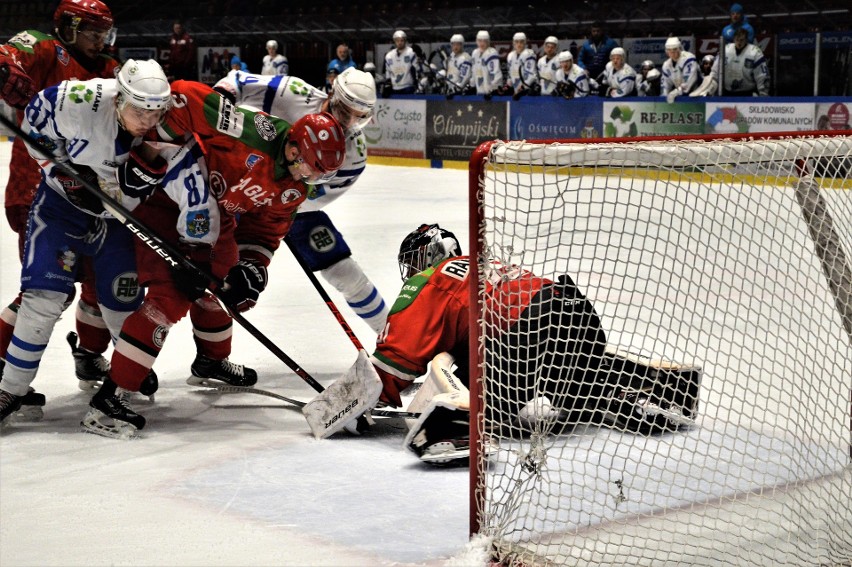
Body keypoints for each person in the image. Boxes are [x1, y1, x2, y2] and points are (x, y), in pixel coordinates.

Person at [83, 75, 347, 439]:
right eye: (314, 167)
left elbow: (265, 231)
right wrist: (159, 146)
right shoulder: (252, 131)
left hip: (212, 217)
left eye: (324, 173)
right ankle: (110, 398)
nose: (314, 178)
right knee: (169, 298)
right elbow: (185, 96)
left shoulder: (295, 187)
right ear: (293, 149)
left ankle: (211, 360)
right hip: (167, 199)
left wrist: (252, 268)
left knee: (224, 285)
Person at [303, 224, 701, 464]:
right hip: (571, 307)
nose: (410, 272)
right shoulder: (481, 265)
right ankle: (660, 382)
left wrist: (354, 403)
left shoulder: (430, 279)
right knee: (573, 389)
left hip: (526, 329)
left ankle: (458, 429)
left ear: (424, 257)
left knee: (480, 406)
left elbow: (398, 360)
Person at [0, 59, 174, 426]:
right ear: (118, 98)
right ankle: (11, 390)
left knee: (123, 301)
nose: (147, 121)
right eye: (139, 110)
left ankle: (122, 378)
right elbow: (35, 117)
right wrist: (62, 172)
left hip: (120, 221)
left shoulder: (171, 129)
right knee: (43, 298)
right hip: (61, 209)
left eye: (155, 111)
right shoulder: (83, 99)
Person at [0, 0, 121, 400]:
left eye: (104, 32)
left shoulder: (108, 68)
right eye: (92, 31)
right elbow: (12, 49)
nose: (100, 39)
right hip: (37, 194)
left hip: (91, 196)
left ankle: (89, 353)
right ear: (68, 28)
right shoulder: (48, 49)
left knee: (99, 279)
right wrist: (3, 65)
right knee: (46, 288)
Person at [212, 67, 389, 333]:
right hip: (240, 185)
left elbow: (316, 198)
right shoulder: (294, 93)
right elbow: (236, 81)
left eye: (359, 118)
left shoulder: (355, 153)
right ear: (332, 95)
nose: (349, 124)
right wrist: (218, 109)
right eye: (344, 113)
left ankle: (397, 342)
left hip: (288, 205)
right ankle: (212, 354)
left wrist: (274, 200)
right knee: (220, 272)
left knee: (343, 272)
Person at [714, 28, 769, 96]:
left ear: (746, 40)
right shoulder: (725, 50)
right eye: (737, 40)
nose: (739, 43)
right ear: (734, 39)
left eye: (741, 40)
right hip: (727, 93)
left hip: (747, 94)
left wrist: (763, 94)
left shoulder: (755, 52)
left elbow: (762, 75)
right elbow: (715, 71)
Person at [661, 37, 700, 103]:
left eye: (675, 49)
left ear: (679, 49)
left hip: (698, 95)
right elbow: (665, 85)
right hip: (681, 96)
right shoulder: (666, 65)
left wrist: (675, 92)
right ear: (666, 51)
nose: (672, 52)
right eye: (670, 50)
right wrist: (663, 98)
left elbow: (688, 83)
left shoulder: (689, 58)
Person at [383, 30, 418, 96]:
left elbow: (416, 68)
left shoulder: (411, 53)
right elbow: (388, 71)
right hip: (394, 87)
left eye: (402, 40)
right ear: (394, 41)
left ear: (405, 41)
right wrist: (388, 84)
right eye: (397, 41)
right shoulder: (389, 56)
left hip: (408, 87)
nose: (400, 43)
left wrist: (416, 82)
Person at [471, 30, 503, 99]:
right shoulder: (475, 53)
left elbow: (496, 73)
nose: (482, 43)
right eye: (480, 41)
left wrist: (493, 89)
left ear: (488, 42)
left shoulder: (491, 53)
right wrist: (471, 85)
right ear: (476, 41)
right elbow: (473, 71)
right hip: (479, 92)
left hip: (490, 94)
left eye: (484, 41)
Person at [506, 32, 538, 99]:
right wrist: (508, 85)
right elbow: (510, 74)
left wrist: (523, 87)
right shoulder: (510, 55)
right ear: (513, 43)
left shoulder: (529, 54)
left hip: (527, 90)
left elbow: (531, 74)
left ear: (525, 43)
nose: (519, 44)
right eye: (517, 42)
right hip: (516, 90)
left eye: (521, 42)